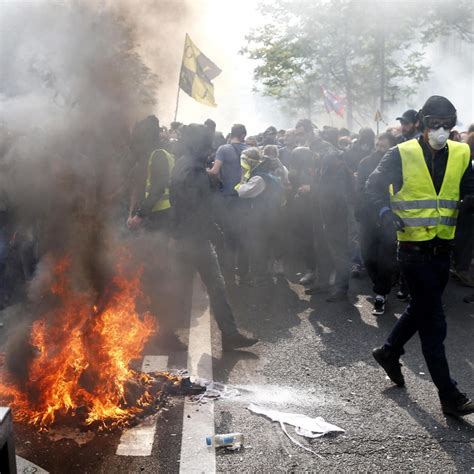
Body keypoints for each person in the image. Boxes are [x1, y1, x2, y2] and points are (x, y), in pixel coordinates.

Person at [367, 96, 474, 416]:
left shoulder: (461, 152)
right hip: (412, 250)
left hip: (443, 250)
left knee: (421, 308)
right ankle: (449, 395)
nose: (441, 131)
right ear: (422, 123)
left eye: (447, 124)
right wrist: (386, 213)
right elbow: (372, 187)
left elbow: (469, 188)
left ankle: (389, 351)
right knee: (433, 320)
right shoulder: (401, 153)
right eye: (434, 124)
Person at [169, 124, 258, 351]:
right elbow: (198, 209)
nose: (210, 150)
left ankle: (227, 334)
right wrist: (215, 233)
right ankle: (228, 335)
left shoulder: (185, 164)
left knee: (184, 286)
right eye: (207, 145)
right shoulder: (195, 172)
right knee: (212, 286)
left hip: (185, 235)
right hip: (195, 238)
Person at [356, 132, 398, 315]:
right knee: (368, 255)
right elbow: (360, 188)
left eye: (384, 147)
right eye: (378, 146)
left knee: (385, 257)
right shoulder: (365, 162)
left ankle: (381, 294)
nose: (379, 150)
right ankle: (379, 283)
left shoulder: (398, 165)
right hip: (367, 216)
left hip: (388, 217)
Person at [208, 124, 247, 280]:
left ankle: (228, 271)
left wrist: (202, 170)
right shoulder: (249, 150)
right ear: (244, 135)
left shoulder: (223, 149)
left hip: (227, 197)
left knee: (228, 233)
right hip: (244, 197)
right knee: (243, 233)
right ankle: (243, 271)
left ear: (231, 134)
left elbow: (215, 171)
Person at [127, 116, 174, 234]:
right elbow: (138, 185)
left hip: (159, 217)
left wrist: (138, 217)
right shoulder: (154, 154)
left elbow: (157, 190)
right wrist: (132, 213)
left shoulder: (158, 156)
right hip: (154, 214)